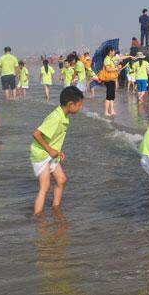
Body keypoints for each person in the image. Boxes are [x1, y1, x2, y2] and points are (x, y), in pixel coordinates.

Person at [30, 86, 84, 214]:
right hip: (41, 154)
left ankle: (56, 208)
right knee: (45, 186)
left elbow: (53, 137)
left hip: (50, 153)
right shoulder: (56, 117)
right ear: (71, 104)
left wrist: (57, 151)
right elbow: (36, 134)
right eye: (79, 105)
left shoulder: (64, 116)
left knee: (61, 180)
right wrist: (50, 150)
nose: (80, 108)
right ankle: (38, 218)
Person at [103, 46, 119, 116]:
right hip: (108, 80)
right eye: (113, 51)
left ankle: (112, 110)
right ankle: (106, 112)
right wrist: (116, 68)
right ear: (110, 51)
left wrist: (130, 56)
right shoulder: (107, 59)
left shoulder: (111, 59)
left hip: (112, 79)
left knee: (112, 96)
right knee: (108, 96)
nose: (114, 52)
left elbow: (120, 57)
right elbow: (108, 69)